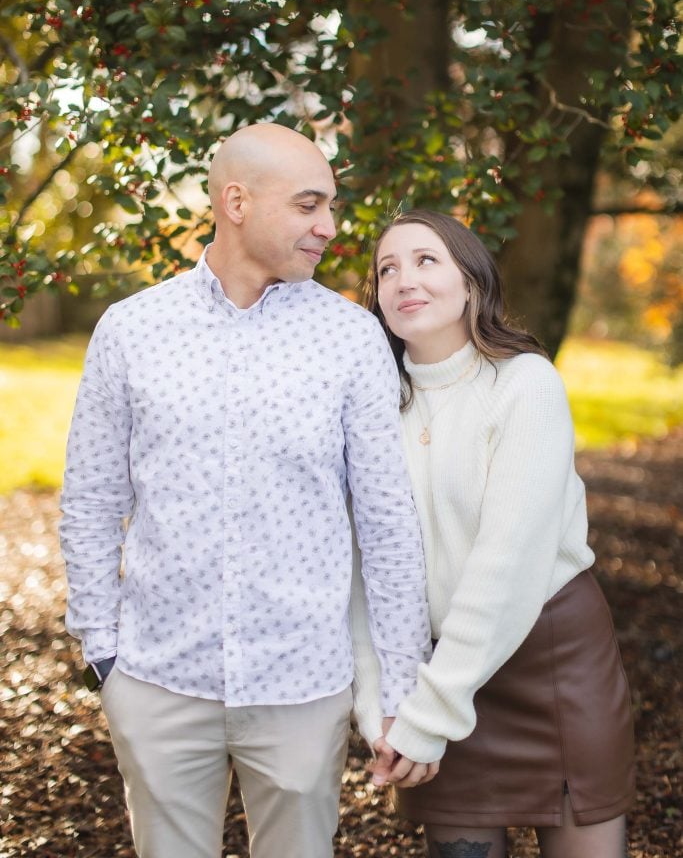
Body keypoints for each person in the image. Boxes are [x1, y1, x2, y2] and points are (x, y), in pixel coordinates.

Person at [59, 123, 433, 858]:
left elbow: (388, 525)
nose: (328, 226)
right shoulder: (132, 330)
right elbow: (92, 497)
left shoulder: (350, 337)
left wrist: (399, 690)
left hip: (300, 685)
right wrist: (101, 647)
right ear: (236, 201)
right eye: (307, 205)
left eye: (329, 205)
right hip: (157, 679)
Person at [351, 209, 636, 858]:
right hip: (435, 678)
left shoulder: (523, 384)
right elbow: (361, 574)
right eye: (386, 269)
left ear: (470, 283)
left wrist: (428, 716)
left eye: (426, 260)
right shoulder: (370, 408)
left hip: (550, 662)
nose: (402, 278)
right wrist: (385, 710)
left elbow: (505, 568)